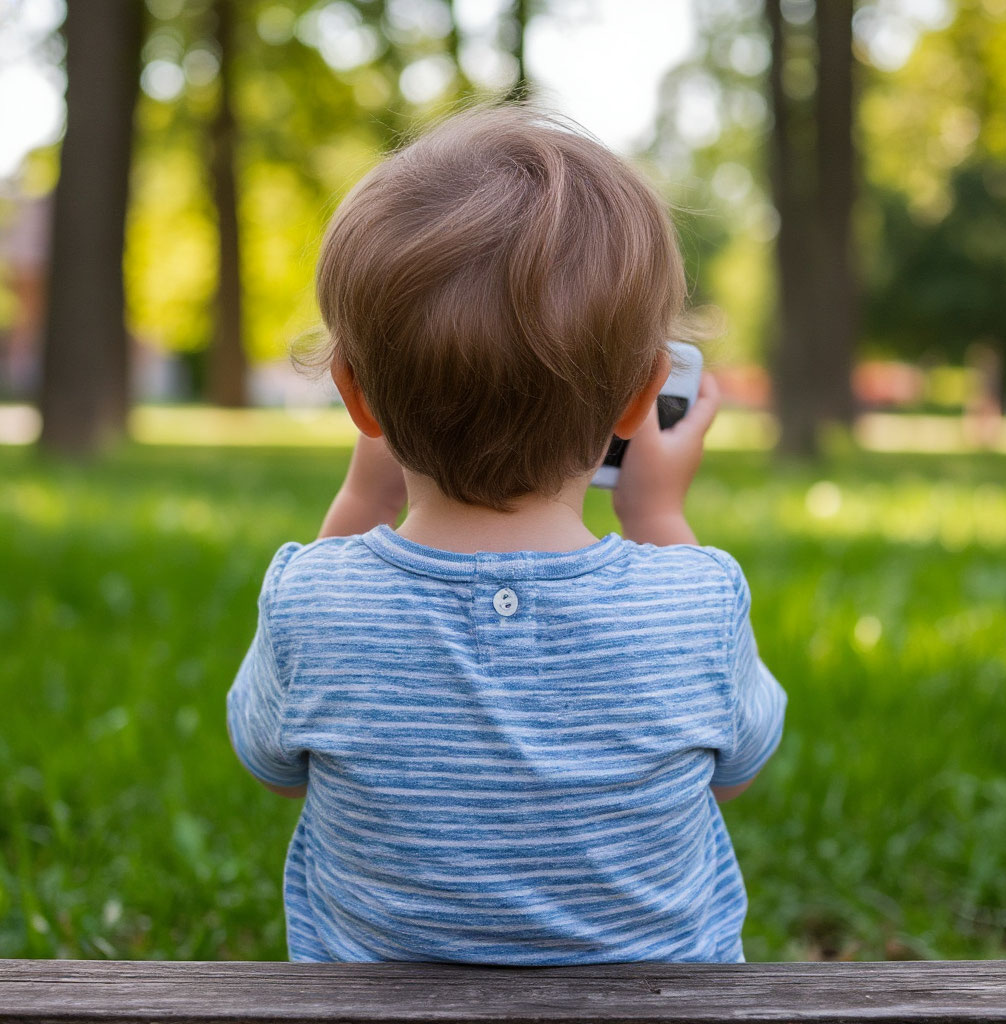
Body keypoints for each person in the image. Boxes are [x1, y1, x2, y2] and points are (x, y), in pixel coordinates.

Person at [226, 101, 786, 964]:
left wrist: (358, 496)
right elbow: (738, 772)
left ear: (356, 396)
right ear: (642, 398)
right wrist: (658, 516)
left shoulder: (310, 600)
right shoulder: (696, 600)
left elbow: (270, 770)